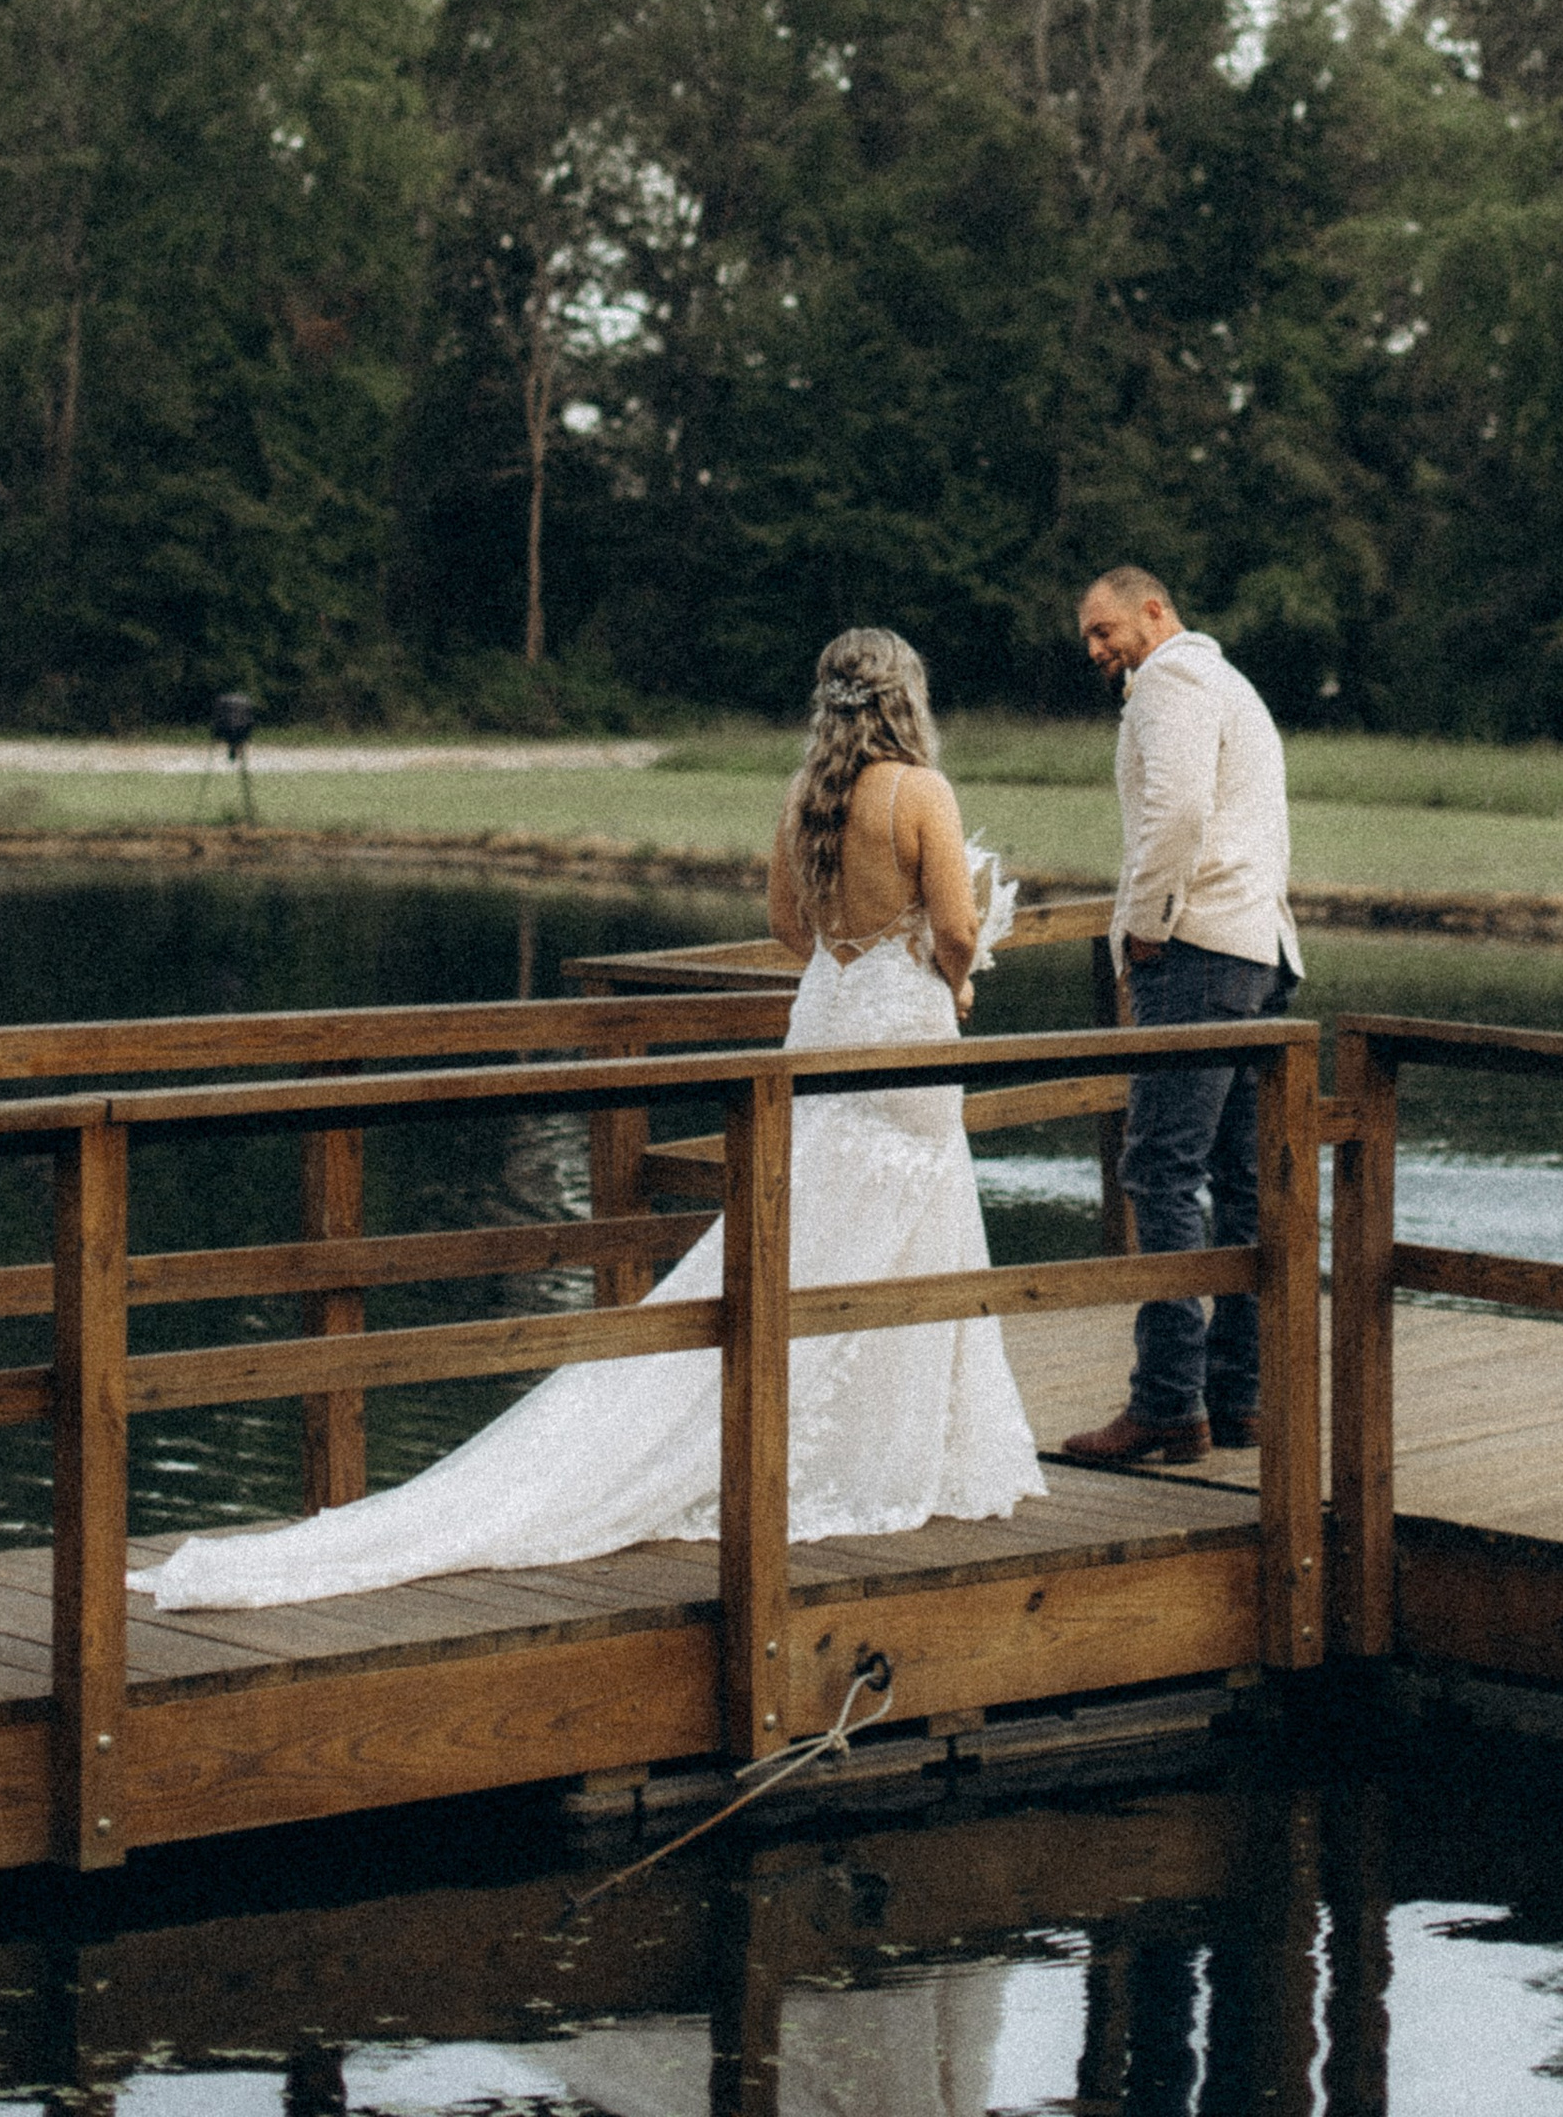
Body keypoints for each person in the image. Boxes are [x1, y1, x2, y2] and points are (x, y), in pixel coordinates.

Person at [134, 627, 1045, 1609]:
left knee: (805, 1234)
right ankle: (888, 1454)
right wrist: (950, 979)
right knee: (906, 1233)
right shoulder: (921, 792)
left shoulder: (803, 798)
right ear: (907, 699)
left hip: (826, 1018)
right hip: (903, 1029)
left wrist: (855, 955)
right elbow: (954, 925)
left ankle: (846, 1446)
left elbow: (791, 927)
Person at [1061, 566, 1302, 1467]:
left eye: (1105, 628)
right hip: (1254, 953)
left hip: (1197, 951)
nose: (1097, 650)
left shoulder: (1170, 680)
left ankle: (1167, 1403)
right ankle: (1239, 1397)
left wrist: (1148, 924)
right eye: (1088, 638)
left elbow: (1179, 811)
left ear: (1154, 612)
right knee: (1237, 1182)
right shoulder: (1225, 681)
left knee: (1160, 1170)